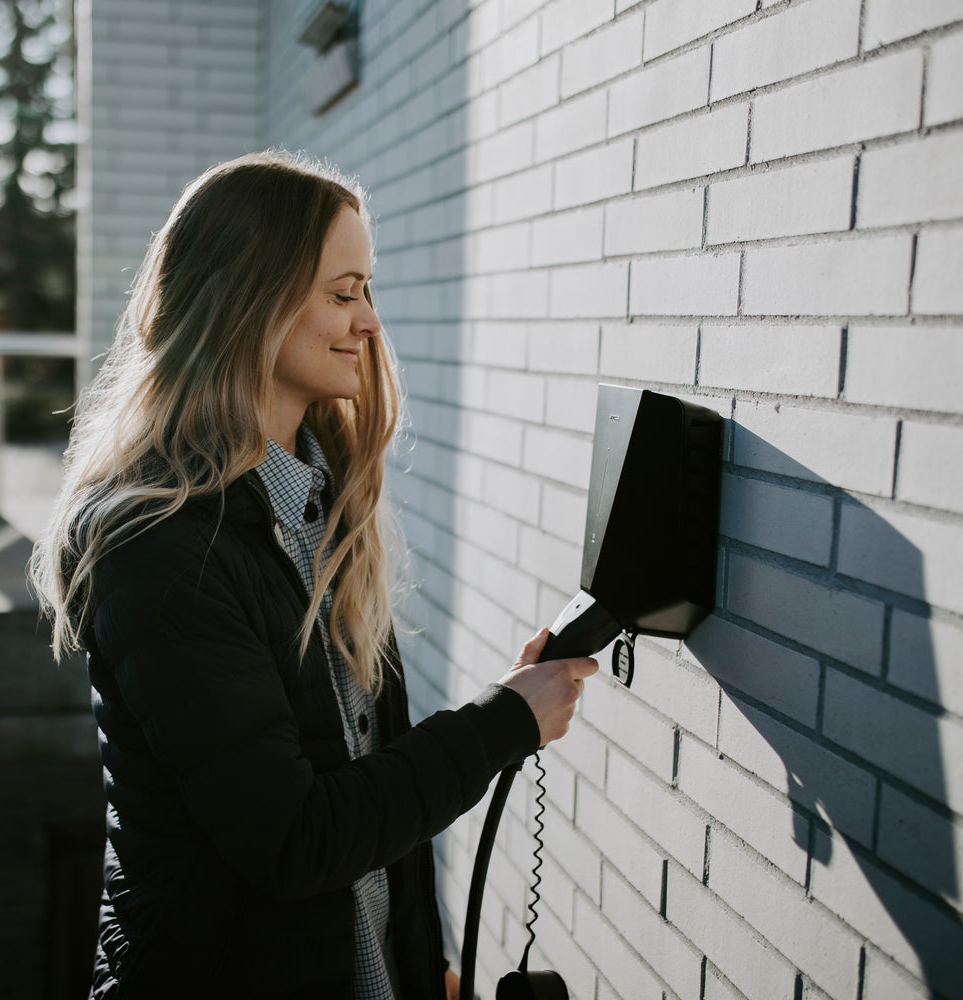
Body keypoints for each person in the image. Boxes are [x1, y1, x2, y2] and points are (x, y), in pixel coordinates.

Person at [31, 150, 599, 1000]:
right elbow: (295, 839)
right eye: (343, 292)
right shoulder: (156, 544)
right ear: (248, 300)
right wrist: (503, 723)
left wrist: (412, 966)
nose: (369, 322)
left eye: (367, 290)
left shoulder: (319, 502)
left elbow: (368, 782)